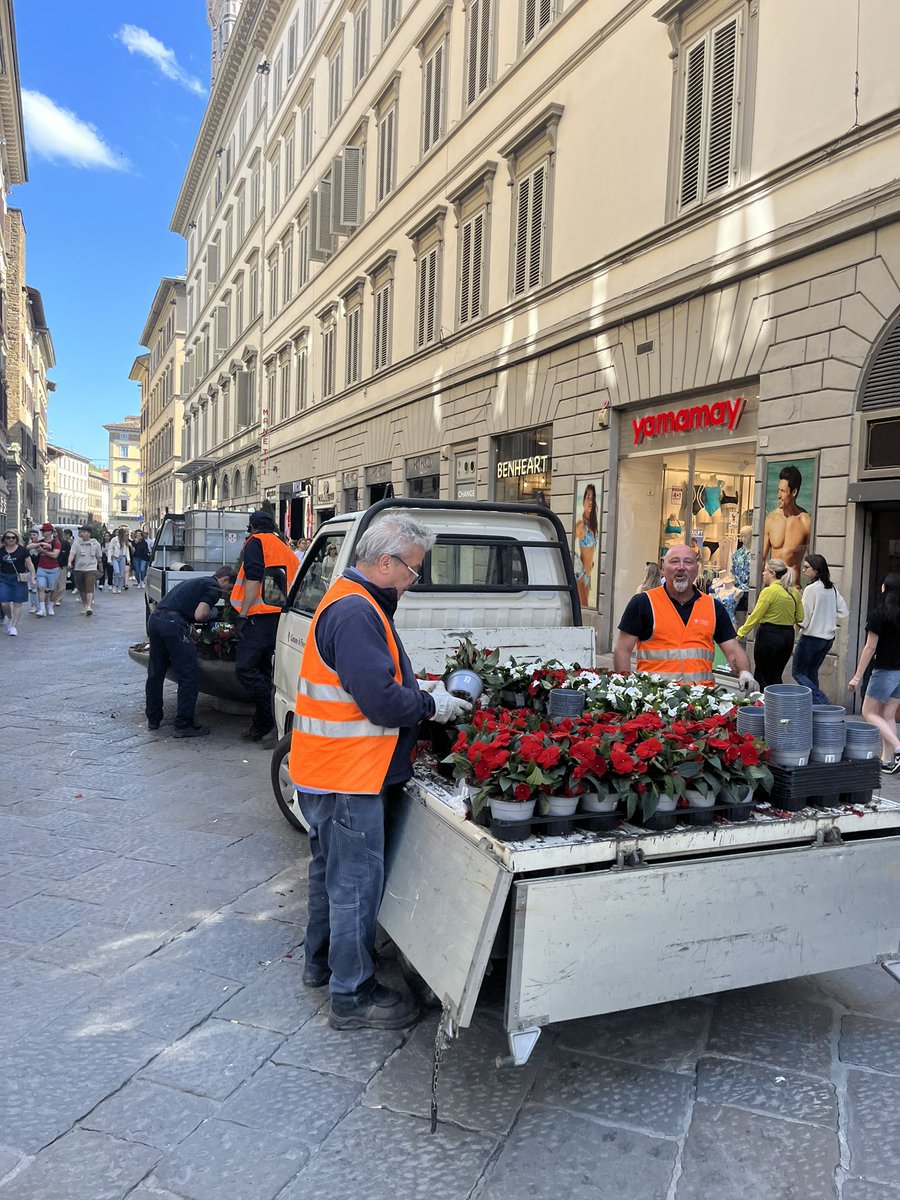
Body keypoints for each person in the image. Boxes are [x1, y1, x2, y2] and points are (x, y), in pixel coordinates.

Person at [289, 515, 471, 1030]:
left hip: (329, 771)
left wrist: (419, 690)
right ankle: (352, 995)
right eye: (413, 571)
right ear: (385, 562)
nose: (414, 582)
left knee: (330, 878)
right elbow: (380, 701)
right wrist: (430, 706)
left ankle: (321, 965)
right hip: (350, 778)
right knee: (354, 887)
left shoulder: (353, 601)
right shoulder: (356, 613)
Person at [613, 544, 756, 690]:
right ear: (663, 568)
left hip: (700, 702)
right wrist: (626, 689)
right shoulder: (643, 603)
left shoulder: (713, 607)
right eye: (674, 561)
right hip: (655, 701)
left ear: (696, 569)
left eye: (688, 562)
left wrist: (744, 672)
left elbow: (733, 650)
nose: (681, 567)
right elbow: (622, 650)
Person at [231, 510, 300, 746]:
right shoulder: (282, 546)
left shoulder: (256, 543)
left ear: (252, 527)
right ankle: (261, 725)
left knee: (245, 668)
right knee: (264, 671)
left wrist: (242, 614)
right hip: (278, 617)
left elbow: (253, 579)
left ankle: (269, 720)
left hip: (259, 618)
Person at [146, 566, 237, 738]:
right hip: (173, 625)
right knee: (189, 675)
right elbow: (200, 614)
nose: (228, 592)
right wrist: (212, 614)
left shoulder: (198, 581)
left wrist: (194, 635)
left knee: (156, 673)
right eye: (230, 588)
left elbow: (183, 612)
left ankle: (154, 719)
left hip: (156, 620)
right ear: (225, 580)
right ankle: (184, 724)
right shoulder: (213, 588)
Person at [848, 572, 900, 774]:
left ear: (885, 589)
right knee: (887, 714)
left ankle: (897, 749)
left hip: (885, 670)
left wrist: (857, 677)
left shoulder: (879, 614)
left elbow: (870, 648)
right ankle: (886, 759)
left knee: (868, 712)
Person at [736, 559, 804, 690]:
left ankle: (763, 704)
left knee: (762, 675)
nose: (763, 573)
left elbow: (755, 616)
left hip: (769, 635)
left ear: (772, 573)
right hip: (787, 636)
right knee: (776, 674)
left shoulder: (769, 591)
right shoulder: (793, 592)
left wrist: (739, 634)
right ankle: (777, 702)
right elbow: (800, 617)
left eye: (765, 570)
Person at [792, 553, 849, 705]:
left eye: (807, 567)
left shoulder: (811, 589)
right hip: (827, 639)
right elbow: (843, 611)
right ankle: (816, 707)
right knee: (811, 673)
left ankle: (821, 701)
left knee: (798, 672)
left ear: (816, 570)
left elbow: (804, 619)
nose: (804, 570)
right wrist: (828, 616)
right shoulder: (832, 589)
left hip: (811, 637)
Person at [762, 465, 811, 574]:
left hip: (793, 587)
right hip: (774, 585)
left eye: (783, 491)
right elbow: (762, 559)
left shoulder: (805, 521)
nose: (778, 495)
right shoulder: (771, 519)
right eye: (778, 490)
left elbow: (812, 563)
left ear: (794, 492)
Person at [0, 530, 36, 636]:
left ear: (17, 539)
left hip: (19, 578)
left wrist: (33, 577)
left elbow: (29, 565)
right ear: (4, 539)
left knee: (17, 603)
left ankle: (14, 626)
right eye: (8, 537)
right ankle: (10, 618)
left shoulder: (22, 550)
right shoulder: (1, 551)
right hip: (4, 578)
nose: (11, 539)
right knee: (4, 603)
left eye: (13, 537)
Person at [574, 483, 599, 606]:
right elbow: (568, 543)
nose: (590, 501)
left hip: (588, 575)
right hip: (581, 575)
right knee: (583, 608)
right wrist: (577, 562)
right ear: (583, 500)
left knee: (585, 612)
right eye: (588, 497)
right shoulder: (581, 525)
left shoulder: (593, 525)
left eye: (592, 498)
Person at [69, 526, 103, 615]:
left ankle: (89, 606)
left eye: (84, 532)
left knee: (89, 587)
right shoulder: (76, 543)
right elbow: (72, 553)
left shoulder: (95, 543)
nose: (82, 534)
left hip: (91, 568)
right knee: (81, 589)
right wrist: (69, 562)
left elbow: (99, 557)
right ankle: (85, 604)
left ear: (89, 533)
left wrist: (101, 568)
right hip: (79, 568)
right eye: (81, 532)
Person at [33, 522, 61, 617]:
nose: (43, 532)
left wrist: (43, 551)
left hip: (53, 568)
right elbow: (28, 547)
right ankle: (42, 609)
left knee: (53, 589)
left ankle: (50, 606)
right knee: (41, 588)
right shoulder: (41, 541)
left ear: (50, 532)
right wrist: (40, 543)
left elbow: (55, 555)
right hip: (41, 568)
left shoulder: (56, 542)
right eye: (42, 531)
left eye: (45, 531)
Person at [108, 528, 131, 594]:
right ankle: (115, 585)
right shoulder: (114, 540)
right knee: (116, 572)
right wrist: (109, 559)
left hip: (122, 557)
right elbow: (110, 549)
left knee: (121, 574)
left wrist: (128, 559)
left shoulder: (125, 540)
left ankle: (119, 587)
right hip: (115, 557)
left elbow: (127, 550)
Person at [54, 529, 72, 607]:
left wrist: (68, 563)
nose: (54, 533)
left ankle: (59, 599)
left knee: (61, 583)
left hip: (62, 565)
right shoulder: (51, 542)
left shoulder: (65, 544)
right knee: (54, 583)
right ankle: (53, 598)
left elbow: (68, 554)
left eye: (55, 531)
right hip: (52, 565)